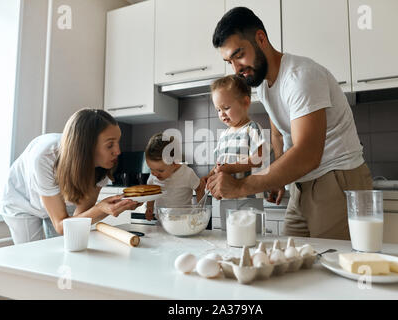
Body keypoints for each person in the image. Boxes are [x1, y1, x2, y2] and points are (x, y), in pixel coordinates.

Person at [207, 7, 373, 240]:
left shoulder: (301, 76)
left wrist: (241, 187)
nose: (236, 69)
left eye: (239, 55)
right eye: (229, 61)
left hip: (336, 180)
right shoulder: (265, 86)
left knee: (335, 267)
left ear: (260, 39)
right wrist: (279, 179)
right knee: (291, 262)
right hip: (300, 186)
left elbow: (307, 154)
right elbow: (278, 133)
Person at [1, 109, 140, 244]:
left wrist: (109, 208)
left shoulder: (101, 168)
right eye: (110, 145)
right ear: (87, 146)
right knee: (30, 254)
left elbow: (79, 220)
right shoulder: (45, 156)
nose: (118, 151)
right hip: (22, 203)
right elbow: (61, 226)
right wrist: (100, 209)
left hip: (60, 202)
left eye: (118, 142)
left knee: (64, 248)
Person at [205, 74, 265, 192]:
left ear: (245, 102)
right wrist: (209, 176)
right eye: (218, 110)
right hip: (224, 195)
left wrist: (231, 168)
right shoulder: (223, 135)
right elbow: (219, 165)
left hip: (247, 197)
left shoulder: (252, 129)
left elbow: (258, 159)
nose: (221, 113)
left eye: (226, 107)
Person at [144, 133, 205, 221]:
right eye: (151, 169)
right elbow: (151, 192)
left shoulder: (187, 173)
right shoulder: (153, 176)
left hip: (184, 221)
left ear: (175, 163)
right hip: (162, 221)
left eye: (160, 170)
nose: (154, 174)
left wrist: (200, 211)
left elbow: (199, 188)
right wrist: (149, 207)